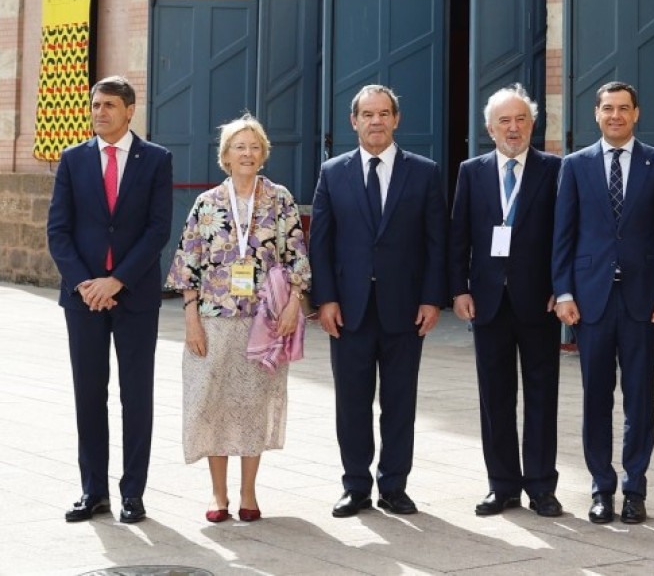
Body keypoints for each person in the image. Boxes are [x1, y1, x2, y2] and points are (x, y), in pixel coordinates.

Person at [311, 84, 448, 518]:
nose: (375, 121)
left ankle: (394, 485)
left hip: (404, 309)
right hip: (348, 310)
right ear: (354, 121)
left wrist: (432, 299)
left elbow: (436, 243)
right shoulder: (332, 172)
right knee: (351, 404)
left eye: (383, 113)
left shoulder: (424, 172)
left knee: (400, 402)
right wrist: (326, 299)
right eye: (367, 114)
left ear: (396, 119)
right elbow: (321, 243)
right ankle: (355, 486)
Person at [167, 116, 310, 523]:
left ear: (263, 153)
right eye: (239, 146)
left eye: (253, 146)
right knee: (211, 401)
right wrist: (191, 319)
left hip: (264, 320)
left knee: (253, 404)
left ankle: (248, 492)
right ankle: (218, 493)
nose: (246, 153)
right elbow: (187, 263)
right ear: (225, 155)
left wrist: (293, 303)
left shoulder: (279, 198)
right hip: (214, 319)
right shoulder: (207, 203)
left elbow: (296, 254)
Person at [553, 81, 654, 525]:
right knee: (596, 398)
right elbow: (563, 236)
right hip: (590, 300)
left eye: (623, 108)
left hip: (644, 301)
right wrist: (564, 292)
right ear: (596, 114)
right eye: (607, 109)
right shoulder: (574, 166)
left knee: (639, 399)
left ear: (636, 113)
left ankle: (636, 488)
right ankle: (601, 487)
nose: (615, 116)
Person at [47, 76, 174, 524]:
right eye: (96, 105)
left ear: (129, 110)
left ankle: (132, 494)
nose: (100, 112)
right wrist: (85, 283)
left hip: (135, 296)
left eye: (109, 105)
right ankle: (92, 491)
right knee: (89, 395)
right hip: (83, 299)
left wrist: (116, 280)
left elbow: (158, 229)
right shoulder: (72, 159)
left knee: (136, 396)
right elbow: (58, 230)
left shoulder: (156, 159)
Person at [449, 85, 564, 518]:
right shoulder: (471, 172)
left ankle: (540, 487)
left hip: (540, 302)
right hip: (487, 301)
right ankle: (501, 485)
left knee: (541, 395)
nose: (513, 128)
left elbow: (563, 235)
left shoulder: (556, 170)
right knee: (494, 397)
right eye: (504, 121)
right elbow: (458, 234)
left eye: (520, 120)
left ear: (532, 124)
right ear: (489, 128)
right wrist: (458, 288)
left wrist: (562, 284)